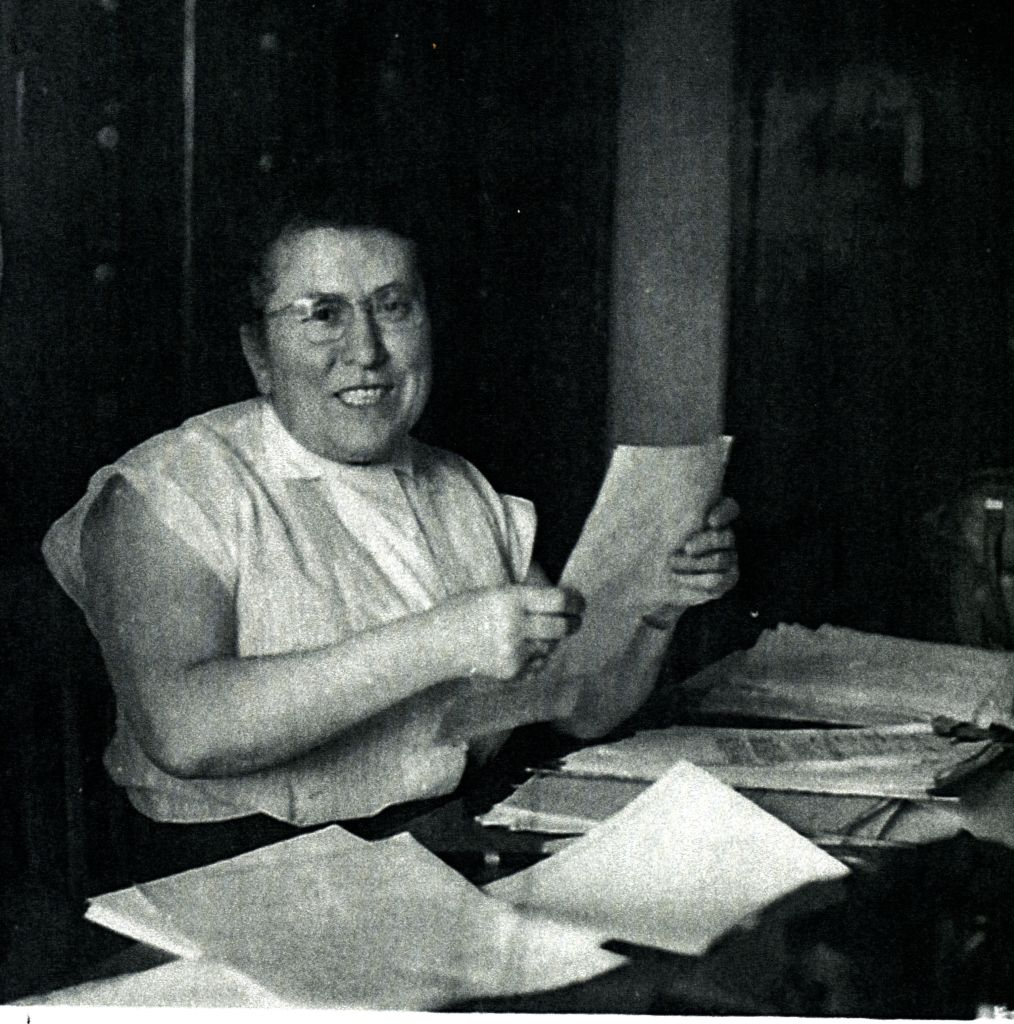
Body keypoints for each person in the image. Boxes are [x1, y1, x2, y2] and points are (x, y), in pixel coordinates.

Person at [42, 213, 738, 875]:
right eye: (323, 314)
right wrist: (444, 641)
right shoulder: (168, 489)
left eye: (394, 307)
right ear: (259, 353)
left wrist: (655, 608)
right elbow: (183, 731)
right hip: (226, 873)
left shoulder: (461, 488)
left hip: (441, 843)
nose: (367, 351)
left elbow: (578, 704)